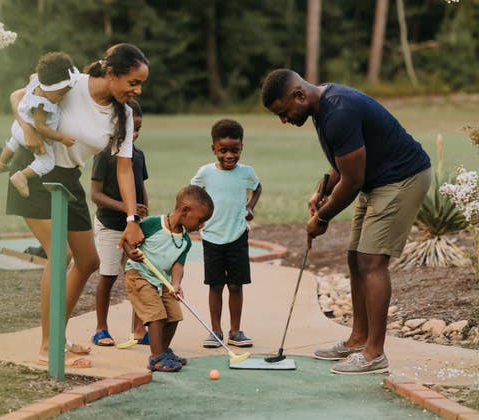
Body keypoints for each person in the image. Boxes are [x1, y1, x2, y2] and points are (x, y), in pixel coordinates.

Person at [261, 70, 431, 375]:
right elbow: (342, 164)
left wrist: (322, 218)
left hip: (402, 178)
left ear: (298, 95)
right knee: (356, 258)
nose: (284, 120)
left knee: (372, 261)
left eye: (285, 113)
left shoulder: (339, 111)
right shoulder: (322, 107)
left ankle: (374, 354)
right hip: (377, 180)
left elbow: (353, 181)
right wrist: (321, 191)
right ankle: (357, 340)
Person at [6, 43, 149, 368]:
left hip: (68, 178)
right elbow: (18, 96)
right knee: (60, 253)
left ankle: (60, 334)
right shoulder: (72, 82)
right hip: (33, 171)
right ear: (111, 74)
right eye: (133, 82)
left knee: (87, 260)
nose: (138, 90)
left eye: (141, 84)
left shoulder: (123, 115)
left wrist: (131, 218)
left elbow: (124, 168)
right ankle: (48, 347)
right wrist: (28, 128)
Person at [125, 185, 214, 372]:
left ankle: (163, 351)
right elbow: (127, 239)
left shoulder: (185, 240)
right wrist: (131, 253)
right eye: (201, 220)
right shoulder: (153, 224)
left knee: (174, 315)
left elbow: (178, 265)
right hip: (139, 275)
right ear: (185, 211)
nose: (201, 225)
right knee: (156, 315)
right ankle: (156, 358)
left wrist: (176, 284)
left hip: (162, 280)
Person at [191, 119, 262, 349]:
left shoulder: (246, 173)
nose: (229, 155)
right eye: (223, 151)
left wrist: (250, 207)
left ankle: (235, 331)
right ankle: (215, 331)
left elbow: (257, 187)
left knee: (235, 285)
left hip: (238, 236)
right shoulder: (205, 173)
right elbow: (193, 194)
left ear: (242, 148)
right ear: (214, 149)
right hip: (212, 237)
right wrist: (198, 218)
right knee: (215, 285)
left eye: (235, 150)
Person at [91, 99, 149, 347]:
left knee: (137, 275)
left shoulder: (139, 155)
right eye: (130, 129)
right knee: (108, 275)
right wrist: (126, 208)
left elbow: (140, 187)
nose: (134, 134)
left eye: (138, 128)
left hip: (133, 225)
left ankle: (138, 329)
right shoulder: (104, 154)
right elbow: (95, 195)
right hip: (109, 225)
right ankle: (101, 328)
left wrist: (141, 212)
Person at [0, 51, 79, 197]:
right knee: (47, 162)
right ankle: (22, 176)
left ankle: (0, 163)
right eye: (60, 94)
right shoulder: (42, 105)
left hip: (18, 126)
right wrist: (61, 138)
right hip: (31, 132)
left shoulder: (37, 81)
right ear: (49, 88)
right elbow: (41, 127)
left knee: (14, 141)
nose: (62, 98)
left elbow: (33, 76)